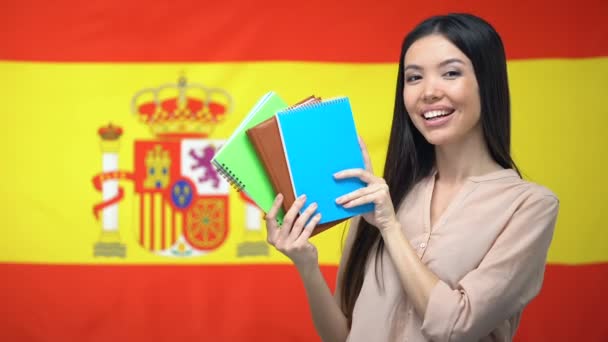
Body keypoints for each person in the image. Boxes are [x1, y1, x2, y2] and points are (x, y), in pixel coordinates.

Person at [264, 13, 559, 342]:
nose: (429, 92)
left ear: (486, 82)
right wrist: (306, 264)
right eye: (414, 77)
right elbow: (342, 335)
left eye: (450, 73)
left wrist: (391, 228)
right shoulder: (381, 196)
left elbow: (456, 326)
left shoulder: (529, 206)